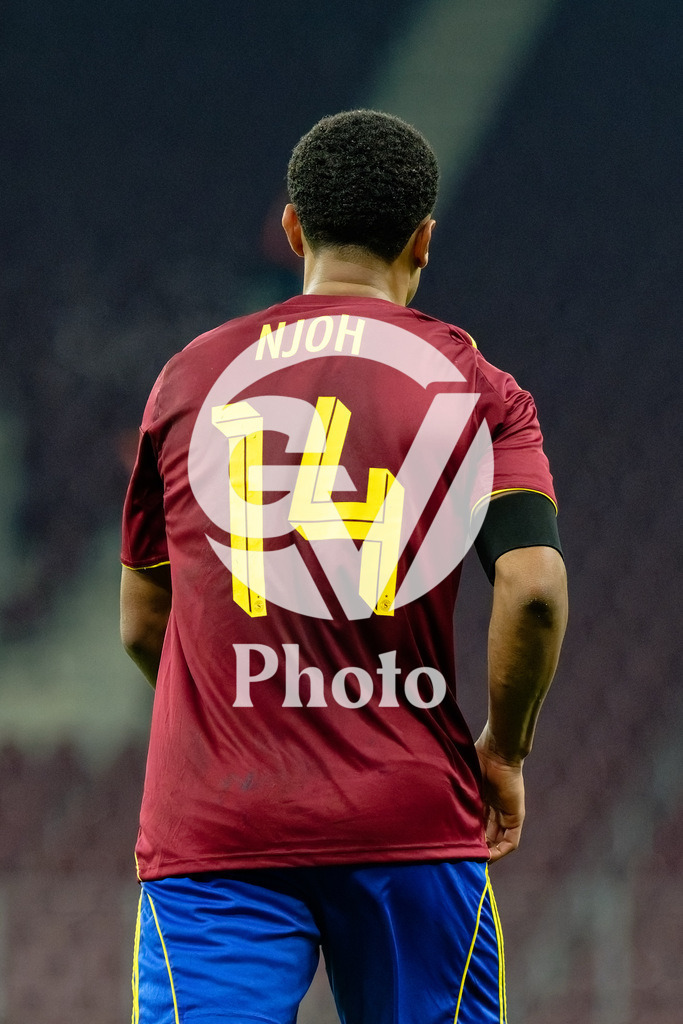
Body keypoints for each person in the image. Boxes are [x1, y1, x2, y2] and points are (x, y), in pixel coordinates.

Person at [121, 109, 567, 1024]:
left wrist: (237, 702)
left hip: (218, 824)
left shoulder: (189, 379)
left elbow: (141, 621)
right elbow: (529, 593)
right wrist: (505, 749)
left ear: (292, 228)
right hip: (410, 820)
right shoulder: (478, 387)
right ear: (423, 241)